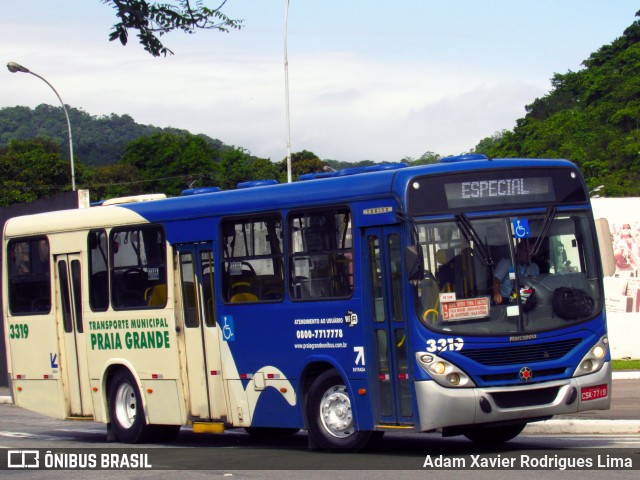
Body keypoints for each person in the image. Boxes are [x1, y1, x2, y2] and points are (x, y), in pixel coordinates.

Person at [492, 241, 539, 305]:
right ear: (519, 251)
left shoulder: (534, 267)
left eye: (531, 252)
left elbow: (537, 284)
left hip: (526, 299)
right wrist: (496, 293)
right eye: (526, 252)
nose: (529, 255)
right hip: (507, 299)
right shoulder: (506, 263)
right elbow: (496, 280)